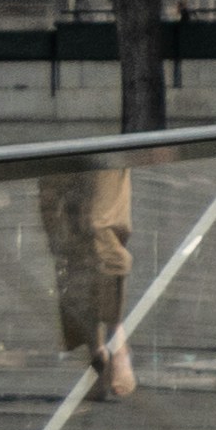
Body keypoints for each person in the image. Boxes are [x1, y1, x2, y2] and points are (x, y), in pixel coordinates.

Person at [38, 158, 137, 402]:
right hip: (54, 136)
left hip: (106, 131)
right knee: (63, 233)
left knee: (100, 226)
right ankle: (96, 352)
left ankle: (117, 341)